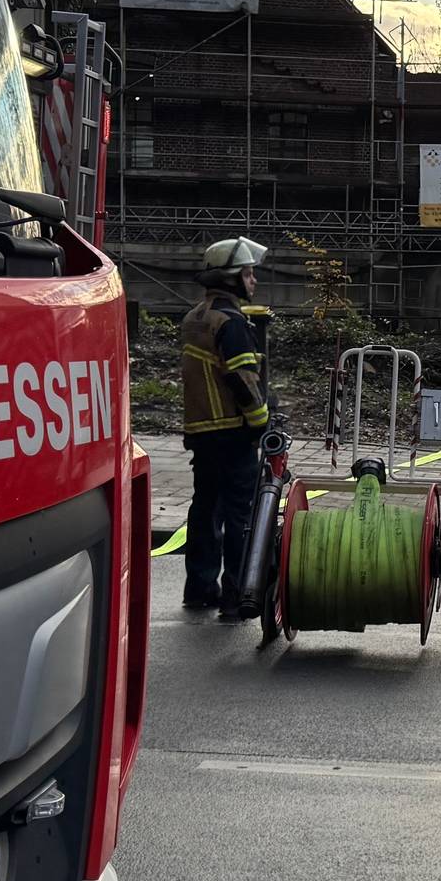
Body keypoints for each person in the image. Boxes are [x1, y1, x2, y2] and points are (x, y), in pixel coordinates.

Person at [179, 236, 274, 619]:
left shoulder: (194, 317)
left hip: (202, 432)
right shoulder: (231, 322)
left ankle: (200, 589)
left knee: (205, 510)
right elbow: (242, 379)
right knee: (239, 516)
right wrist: (261, 422)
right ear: (231, 278)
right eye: (248, 274)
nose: (254, 281)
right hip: (233, 433)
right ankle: (236, 595)